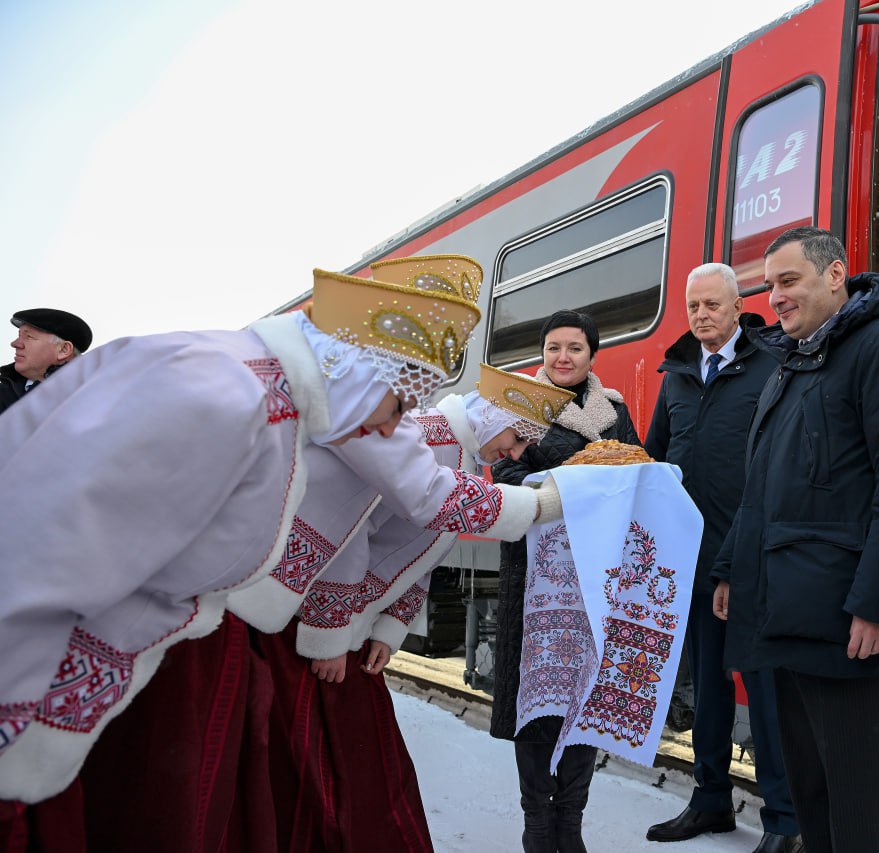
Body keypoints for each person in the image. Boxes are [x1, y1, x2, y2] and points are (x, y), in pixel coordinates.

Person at [0, 256, 483, 841]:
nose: (393, 429)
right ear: (361, 371)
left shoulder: (258, 389)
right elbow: (56, 551)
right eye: (400, 406)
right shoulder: (230, 392)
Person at [254, 363, 575, 853]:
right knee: (330, 771)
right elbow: (346, 531)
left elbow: (418, 557)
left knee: (350, 771)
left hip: (342, 627)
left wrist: (389, 627)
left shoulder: (458, 452)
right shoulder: (429, 440)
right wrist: (329, 635)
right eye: (515, 439)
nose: (513, 454)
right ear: (491, 416)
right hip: (307, 625)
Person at [711, 227, 879, 853]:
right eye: (769, 286)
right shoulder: (797, 359)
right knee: (811, 790)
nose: (775, 297)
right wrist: (730, 568)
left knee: (856, 798)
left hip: (841, 615)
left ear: (836, 275)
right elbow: (764, 483)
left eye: (789, 281)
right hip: (787, 606)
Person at [643, 264, 799, 852]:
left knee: (764, 692)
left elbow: (782, 458)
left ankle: (784, 819)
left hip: (755, 557)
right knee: (708, 689)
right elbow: (655, 458)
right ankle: (710, 800)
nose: (702, 315)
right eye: (693, 306)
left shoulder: (772, 363)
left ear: (738, 307)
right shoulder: (678, 376)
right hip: (695, 560)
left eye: (712, 304)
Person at [490, 309, 642, 853]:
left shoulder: (615, 413)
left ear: (592, 355)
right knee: (535, 700)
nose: (563, 357)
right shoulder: (519, 405)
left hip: (596, 578)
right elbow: (504, 476)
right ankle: (537, 822)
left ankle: (570, 820)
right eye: (554, 347)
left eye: (575, 348)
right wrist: (578, 484)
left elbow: (638, 468)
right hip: (534, 575)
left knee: (585, 699)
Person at [1, 308, 92, 415]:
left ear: (63, 350)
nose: (15, 344)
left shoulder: (93, 399)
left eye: (29, 337)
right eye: (19, 336)